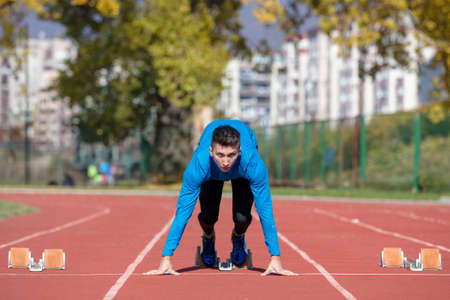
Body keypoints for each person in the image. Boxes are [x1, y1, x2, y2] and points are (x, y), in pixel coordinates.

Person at [148, 120, 297, 276]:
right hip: (211, 171)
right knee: (208, 217)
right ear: (211, 151)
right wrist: (166, 257)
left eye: (231, 155)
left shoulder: (252, 163)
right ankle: (208, 237)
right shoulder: (199, 165)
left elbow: (265, 210)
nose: (225, 162)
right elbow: (183, 212)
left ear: (239, 151)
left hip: (242, 172)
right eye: (220, 155)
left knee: (242, 218)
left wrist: (275, 257)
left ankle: (238, 237)